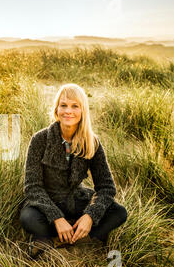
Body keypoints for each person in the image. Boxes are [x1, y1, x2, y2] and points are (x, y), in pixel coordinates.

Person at [19, 83, 127, 258]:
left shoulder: (92, 142)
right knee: (28, 218)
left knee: (119, 212)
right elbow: (32, 187)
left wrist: (90, 216)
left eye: (75, 106)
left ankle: (53, 241)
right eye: (64, 105)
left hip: (76, 201)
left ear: (83, 110)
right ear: (56, 109)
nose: (68, 111)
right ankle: (73, 234)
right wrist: (57, 218)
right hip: (48, 204)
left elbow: (106, 187)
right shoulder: (39, 139)